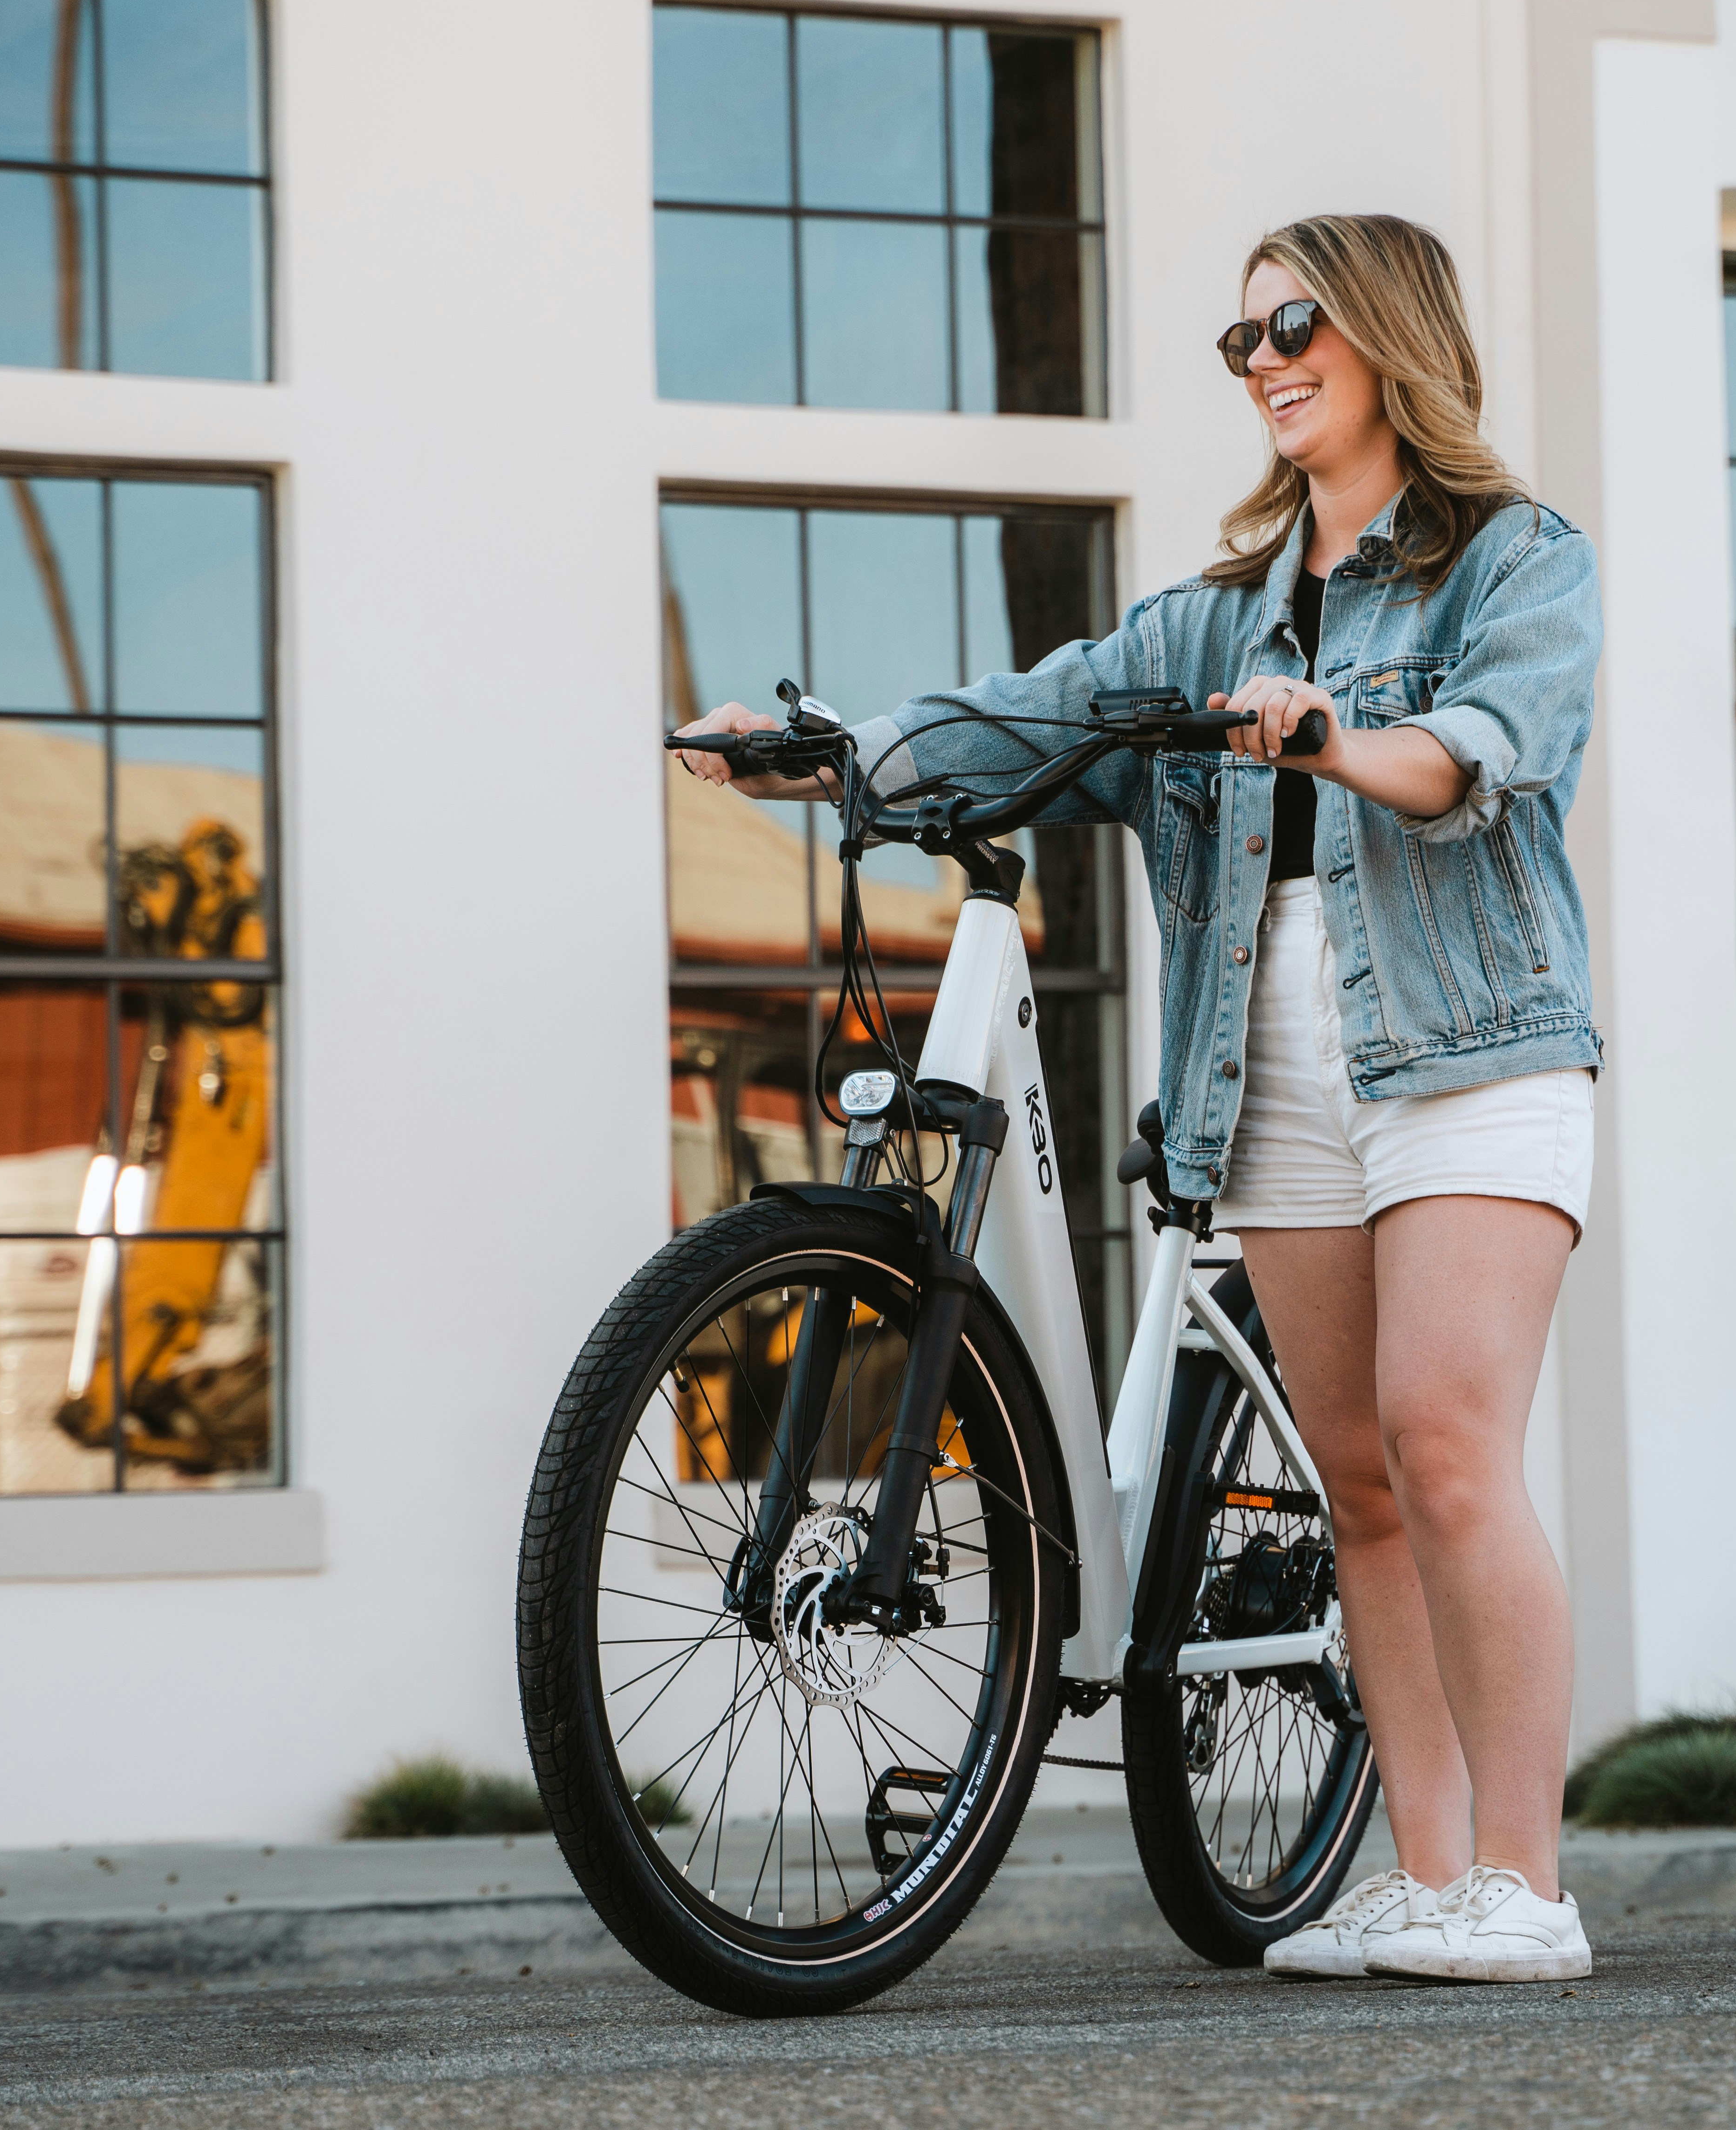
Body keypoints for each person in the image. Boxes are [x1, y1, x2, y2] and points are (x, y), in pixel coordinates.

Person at [672, 212, 1603, 1984]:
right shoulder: (1207, 619)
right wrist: (835, 757)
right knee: (1359, 1483)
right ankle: (1419, 1876)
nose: (1264, 359)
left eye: (1295, 322)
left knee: (1448, 1442)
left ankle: (1528, 1885)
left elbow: (1486, 752)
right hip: (1271, 1067)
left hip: (1472, 1051)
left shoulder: (1514, 562)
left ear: (1389, 330)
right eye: (1240, 338)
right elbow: (1024, 722)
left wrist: (1328, 735)